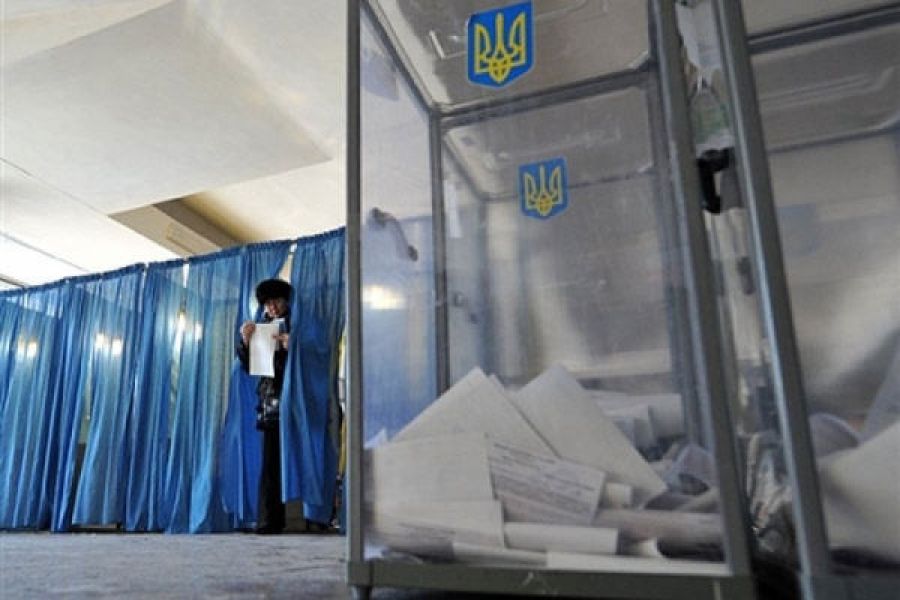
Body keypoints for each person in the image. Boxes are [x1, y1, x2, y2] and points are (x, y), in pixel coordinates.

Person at [236, 278, 292, 534]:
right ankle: (269, 519)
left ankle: (312, 516)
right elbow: (250, 367)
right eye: (268, 304)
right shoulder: (262, 327)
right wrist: (246, 342)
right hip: (271, 402)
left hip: (296, 401)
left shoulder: (299, 324)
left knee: (289, 459)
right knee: (270, 461)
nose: (272, 308)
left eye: (276, 302)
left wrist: (293, 346)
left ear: (285, 301)